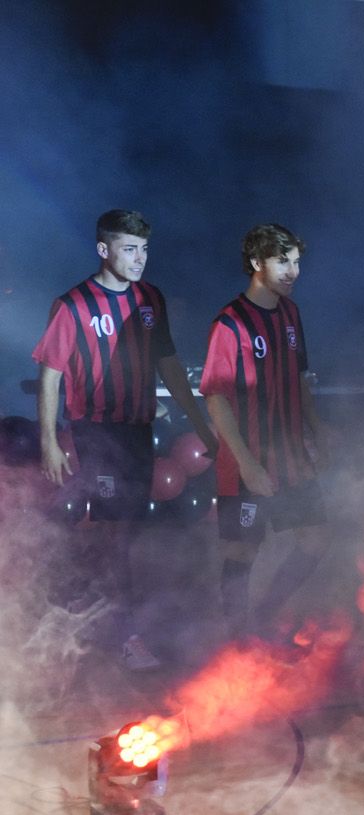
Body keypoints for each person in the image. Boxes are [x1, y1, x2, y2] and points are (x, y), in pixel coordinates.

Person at [32, 208, 216, 670]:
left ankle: (104, 616)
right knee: (117, 533)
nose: (139, 258)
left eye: (144, 249)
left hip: (137, 431)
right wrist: (49, 442)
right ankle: (124, 636)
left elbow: (169, 363)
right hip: (97, 432)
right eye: (129, 249)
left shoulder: (150, 299)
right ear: (103, 249)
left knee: (129, 531)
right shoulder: (73, 304)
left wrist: (198, 419)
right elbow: (50, 376)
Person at [200, 223, 329, 642]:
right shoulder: (229, 323)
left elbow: (299, 378)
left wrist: (317, 431)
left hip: (291, 457)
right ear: (256, 262)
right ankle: (240, 644)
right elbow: (216, 399)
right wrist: (247, 464)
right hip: (246, 460)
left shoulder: (291, 314)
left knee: (315, 539)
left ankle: (265, 619)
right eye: (282, 261)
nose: (293, 271)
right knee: (243, 550)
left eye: (297, 262)